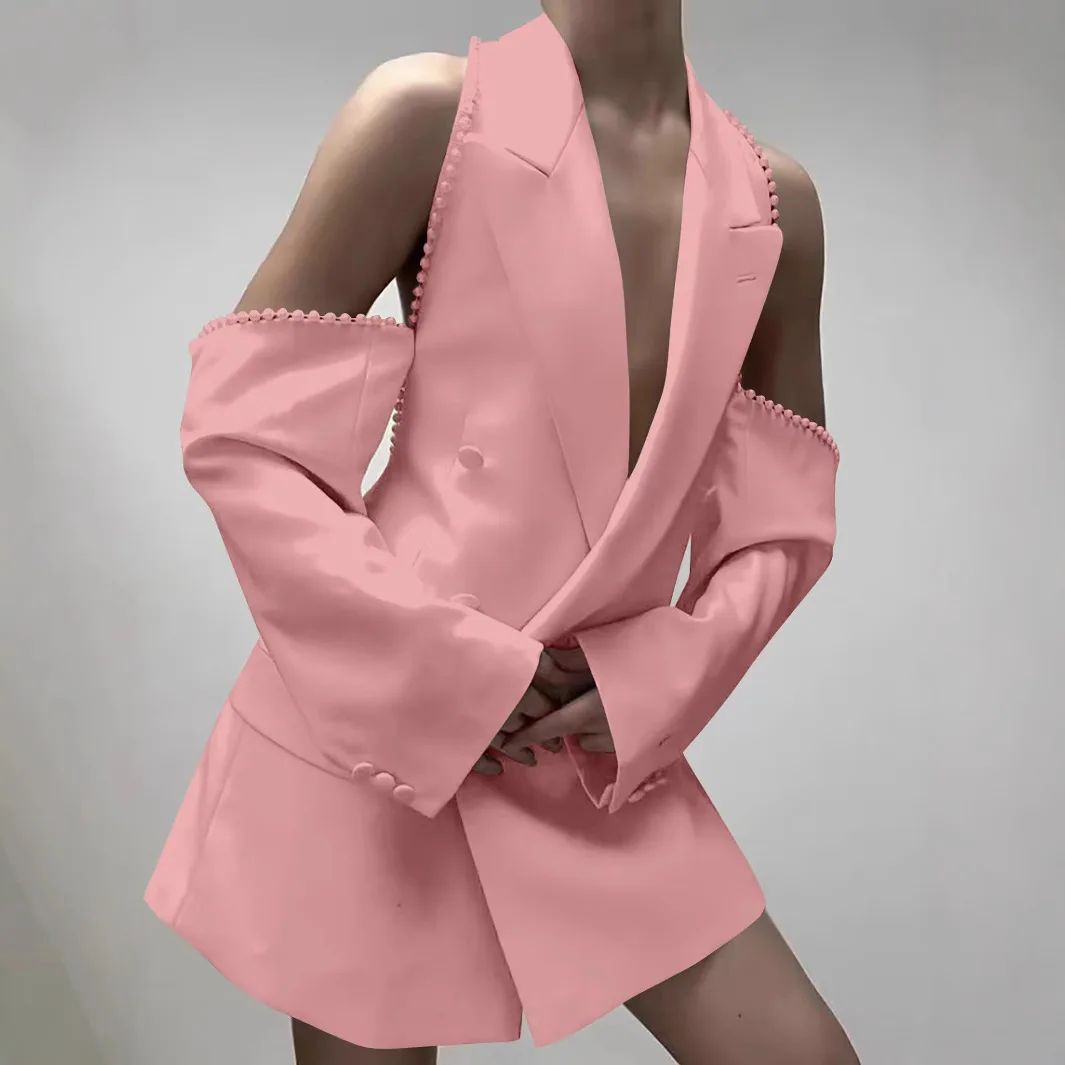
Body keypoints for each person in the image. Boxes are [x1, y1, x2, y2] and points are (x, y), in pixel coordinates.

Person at [146, 3, 859, 1063]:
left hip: (578, 736)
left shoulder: (772, 202)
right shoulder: (429, 115)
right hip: (379, 725)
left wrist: (652, 679)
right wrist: (443, 666)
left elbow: (782, 520)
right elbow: (248, 434)